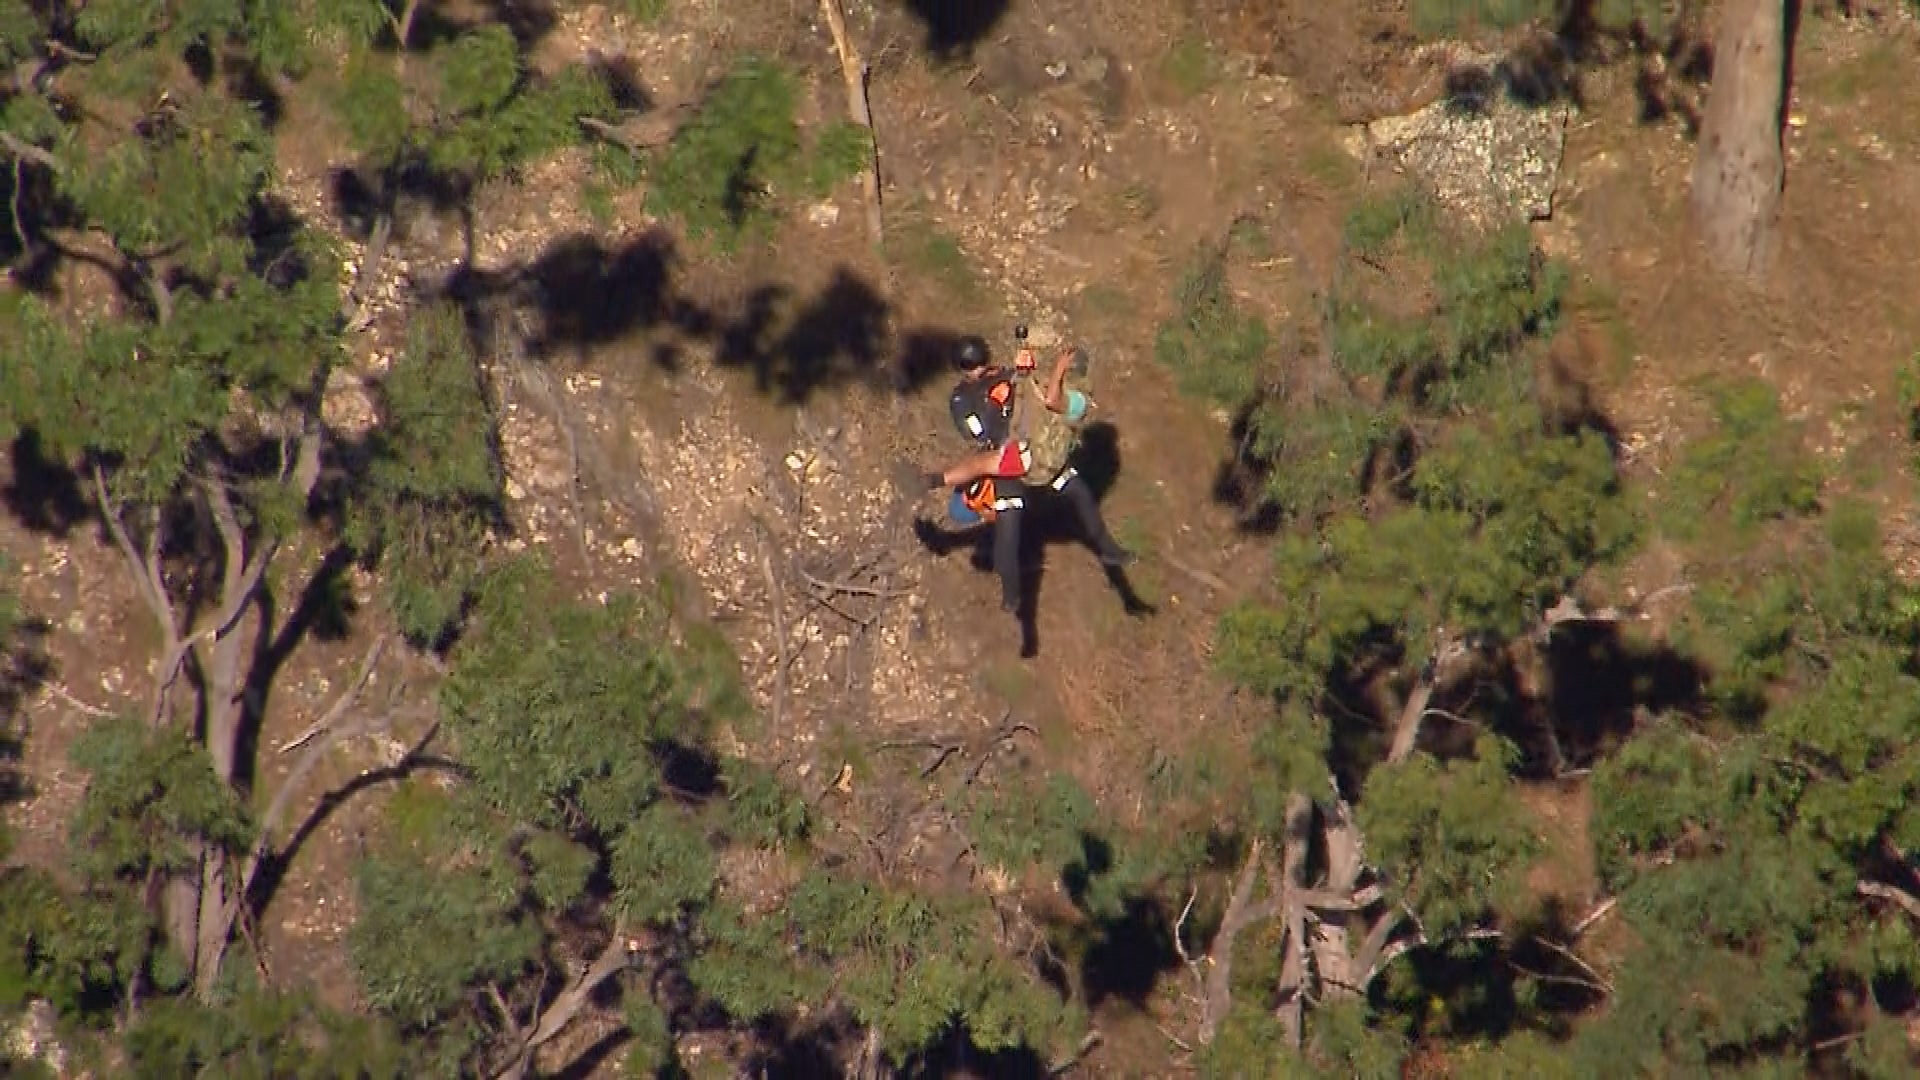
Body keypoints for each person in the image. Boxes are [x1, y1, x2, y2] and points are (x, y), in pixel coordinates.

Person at [917, 331, 1134, 614]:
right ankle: (1011, 592)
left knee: (1080, 496)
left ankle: (1109, 551)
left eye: (980, 363)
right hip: (1008, 461)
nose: (977, 371)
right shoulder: (961, 400)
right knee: (1007, 526)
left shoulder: (1007, 375)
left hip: (1039, 453)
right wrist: (996, 405)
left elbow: (1038, 395)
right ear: (961, 370)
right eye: (971, 368)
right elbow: (981, 434)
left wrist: (1025, 373)